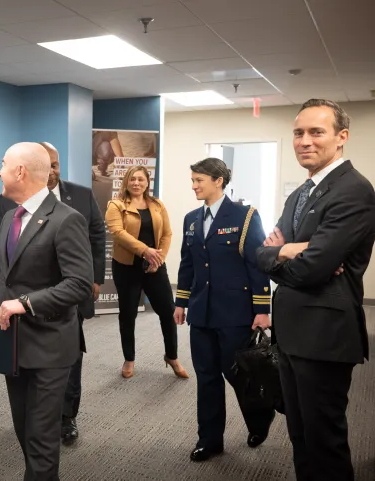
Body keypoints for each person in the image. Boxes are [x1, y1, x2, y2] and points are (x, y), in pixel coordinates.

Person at [256, 99, 375, 481]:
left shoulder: (353, 190)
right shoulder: (300, 193)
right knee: (300, 435)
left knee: (325, 442)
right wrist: (285, 252)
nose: (304, 141)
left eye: (316, 132)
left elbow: (313, 268)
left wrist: (285, 254)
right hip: (290, 332)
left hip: (324, 337)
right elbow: (260, 253)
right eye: (298, 132)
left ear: (341, 137)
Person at [0, 142, 93, 481]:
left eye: (3, 164)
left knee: (40, 438)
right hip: (14, 345)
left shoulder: (67, 220)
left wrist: (23, 303)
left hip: (50, 346)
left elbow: (79, 285)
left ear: (20, 172)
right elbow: (0, 266)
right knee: (25, 430)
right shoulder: (11, 214)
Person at [175, 157, 275, 462]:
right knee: (206, 377)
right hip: (201, 312)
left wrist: (262, 308)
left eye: (199, 180)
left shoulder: (245, 216)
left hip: (235, 312)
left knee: (239, 375)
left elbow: (256, 263)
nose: (193, 186)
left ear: (218, 181)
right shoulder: (192, 218)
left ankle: (260, 419)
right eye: (192, 180)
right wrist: (180, 302)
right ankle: (210, 439)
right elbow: (188, 263)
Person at [105, 165, 188, 380]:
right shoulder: (116, 205)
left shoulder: (157, 205)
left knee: (167, 312)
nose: (136, 183)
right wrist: (145, 251)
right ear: (126, 181)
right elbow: (118, 233)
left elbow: (167, 234)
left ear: (147, 182)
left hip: (155, 267)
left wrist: (158, 258)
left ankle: (172, 356)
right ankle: (129, 359)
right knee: (128, 314)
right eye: (132, 179)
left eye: (141, 179)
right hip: (126, 268)